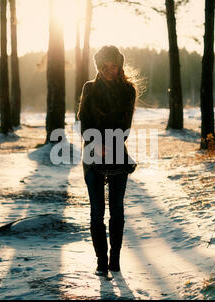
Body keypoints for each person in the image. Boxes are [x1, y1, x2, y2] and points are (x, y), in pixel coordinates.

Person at [77, 45, 136, 276]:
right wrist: (96, 144)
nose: (110, 70)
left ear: (119, 65)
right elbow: (84, 125)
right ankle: (101, 261)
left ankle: (115, 260)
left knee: (117, 210)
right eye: (105, 67)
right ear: (99, 68)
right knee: (96, 211)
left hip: (117, 154)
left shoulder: (128, 90)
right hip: (91, 156)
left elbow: (125, 125)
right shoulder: (89, 88)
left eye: (114, 66)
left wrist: (110, 145)